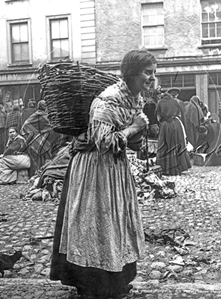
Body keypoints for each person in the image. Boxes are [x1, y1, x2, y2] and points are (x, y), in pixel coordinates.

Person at [50, 49, 156, 298]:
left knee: (115, 222)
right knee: (96, 224)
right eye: (147, 73)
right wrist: (134, 128)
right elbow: (103, 142)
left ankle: (116, 281)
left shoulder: (135, 98)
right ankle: (94, 285)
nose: (152, 78)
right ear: (131, 73)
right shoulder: (107, 100)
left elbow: (129, 142)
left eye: (154, 72)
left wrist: (138, 134)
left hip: (114, 169)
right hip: (94, 169)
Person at [20, 100, 65, 177]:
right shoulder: (41, 115)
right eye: (46, 106)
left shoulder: (38, 115)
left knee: (41, 158)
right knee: (40, 159)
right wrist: (35, 134)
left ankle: (41, 175)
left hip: (42, 140)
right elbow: (26, 125)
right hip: (37, 140)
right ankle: (39, 175)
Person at [155, 92, 191, 176]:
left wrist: (160, 123)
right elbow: (180, 113)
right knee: (177, 144)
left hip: (165, 125)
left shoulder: (160, 102)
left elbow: (157, 116)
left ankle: (166, 168)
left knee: (165, 146)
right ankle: (178, 168)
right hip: (176, 124)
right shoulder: (175, 102)